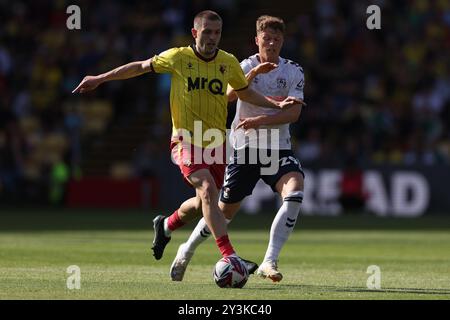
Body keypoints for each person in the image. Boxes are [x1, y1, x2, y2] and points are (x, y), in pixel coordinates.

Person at [72, 11, 300, 268]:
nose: (213, 38)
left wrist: (275, 105)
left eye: (217, 33)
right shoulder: (179, 57)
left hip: (216, 142)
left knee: (204, 202)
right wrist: (100, 78)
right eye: (207, 32)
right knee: (207, 190)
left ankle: (166, 224)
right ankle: (230, 255)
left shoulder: (228, 62)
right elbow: (140, 66)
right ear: (195, 33)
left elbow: (244, 93)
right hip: (186, 140)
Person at [170, 15, 306, 283]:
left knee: (295, 189)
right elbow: (225, 95)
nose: (272, 43)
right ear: (257, 40)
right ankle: (186, 250)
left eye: (277, 39)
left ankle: (270, 260)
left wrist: (260, 120)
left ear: (283, 41)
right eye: (267, 38)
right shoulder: (242, 65)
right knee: (223, 212)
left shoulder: (293, 71)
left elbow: (293, 114)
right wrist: (253, 74)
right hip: (245, 148)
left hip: (277, 148)